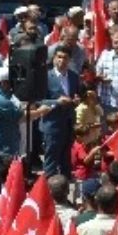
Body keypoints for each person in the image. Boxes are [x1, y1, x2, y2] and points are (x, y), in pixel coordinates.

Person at [41, 46, 83, 177]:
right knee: (51, 158)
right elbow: (38, 101)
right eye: (59, 57)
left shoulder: (74, 76)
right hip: (52, 124)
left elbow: (77, 95)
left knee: (66, 158)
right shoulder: (45, 77)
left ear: (69, 60)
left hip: (69, 122)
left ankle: (64, 186)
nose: (61, 60)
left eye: (65, 58)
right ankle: (48, 187)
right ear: (53, 58)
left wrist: (77, 100)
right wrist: (56, 102)